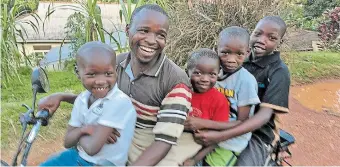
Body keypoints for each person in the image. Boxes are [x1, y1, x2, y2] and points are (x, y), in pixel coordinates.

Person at [38, 4, 194, 166]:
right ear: (128, 30)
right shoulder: (117, 64)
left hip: (141, 156)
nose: (151, 40)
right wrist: (61, 97)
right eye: (144, 31)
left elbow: (164, 141)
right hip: (106, 148)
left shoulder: (175, 81)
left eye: (160, 35)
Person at [194, 16, 290, 166]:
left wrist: (220, 136)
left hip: (258, 132)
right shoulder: (236, 60)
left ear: (280, 42)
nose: (262, 40)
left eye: (271, 37)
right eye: (258, 34)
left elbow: (264, 116)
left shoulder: (279, 71)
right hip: (223, 120)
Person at [40, 41, 136, 166]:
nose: (101, 81)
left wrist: (79, 133)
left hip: (103, 164)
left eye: (108, 73)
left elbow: (92, 148)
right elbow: (67, 142)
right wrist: (86, 129)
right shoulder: (82, 99)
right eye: (92, 74)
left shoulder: (118, 102)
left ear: (116, 71)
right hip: (78, 157)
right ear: (77, 72)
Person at [181, 48, 230, 166]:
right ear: (188, 71)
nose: (204, 79)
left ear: (218, 74)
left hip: (199, 149)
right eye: (198, 73)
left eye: (212, 74)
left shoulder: (219, 100)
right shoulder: (181, 91)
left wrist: (194, 160)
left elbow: (217, 139)